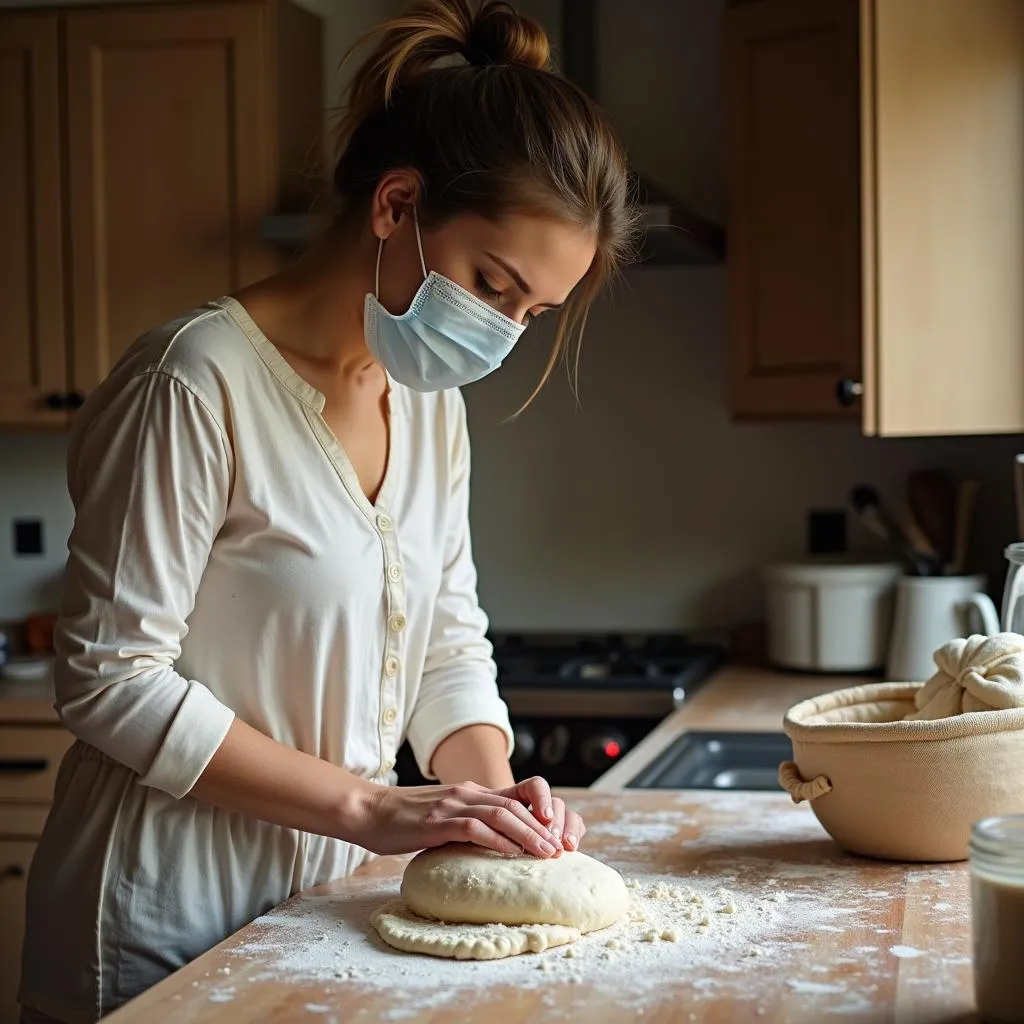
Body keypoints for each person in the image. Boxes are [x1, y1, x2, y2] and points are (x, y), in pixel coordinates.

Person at [18, 0, 636, 1020]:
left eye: (530, 314)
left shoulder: (430, 407)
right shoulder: (194, 381)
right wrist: (370, 805)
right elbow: (107, 677)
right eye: (493, 284)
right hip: (158, 910)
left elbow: (445, 641)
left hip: (317, 902)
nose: (500, 333)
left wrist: (489, 800)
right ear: (396, 206)